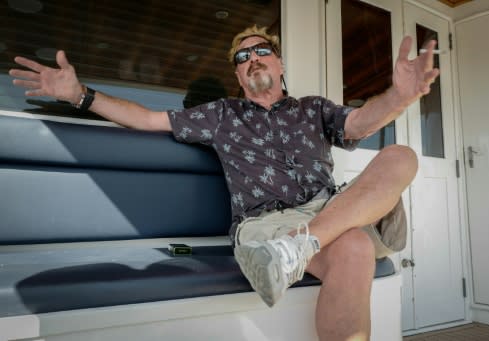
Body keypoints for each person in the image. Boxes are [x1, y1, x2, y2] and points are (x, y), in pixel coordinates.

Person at [9, 25, 439, 341]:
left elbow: (362, 121)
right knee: (356, 246)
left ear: (280, 62)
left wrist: (401, 95)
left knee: (400, 155)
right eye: (241, 57)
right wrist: (79, 95)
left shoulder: (314, 109)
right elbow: (145, 118)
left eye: (262, 50)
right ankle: (298, 244)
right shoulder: (221, 116)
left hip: (326, 215)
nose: (252, 58)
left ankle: (299, 246)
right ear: (237, 75)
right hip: (269, 225)